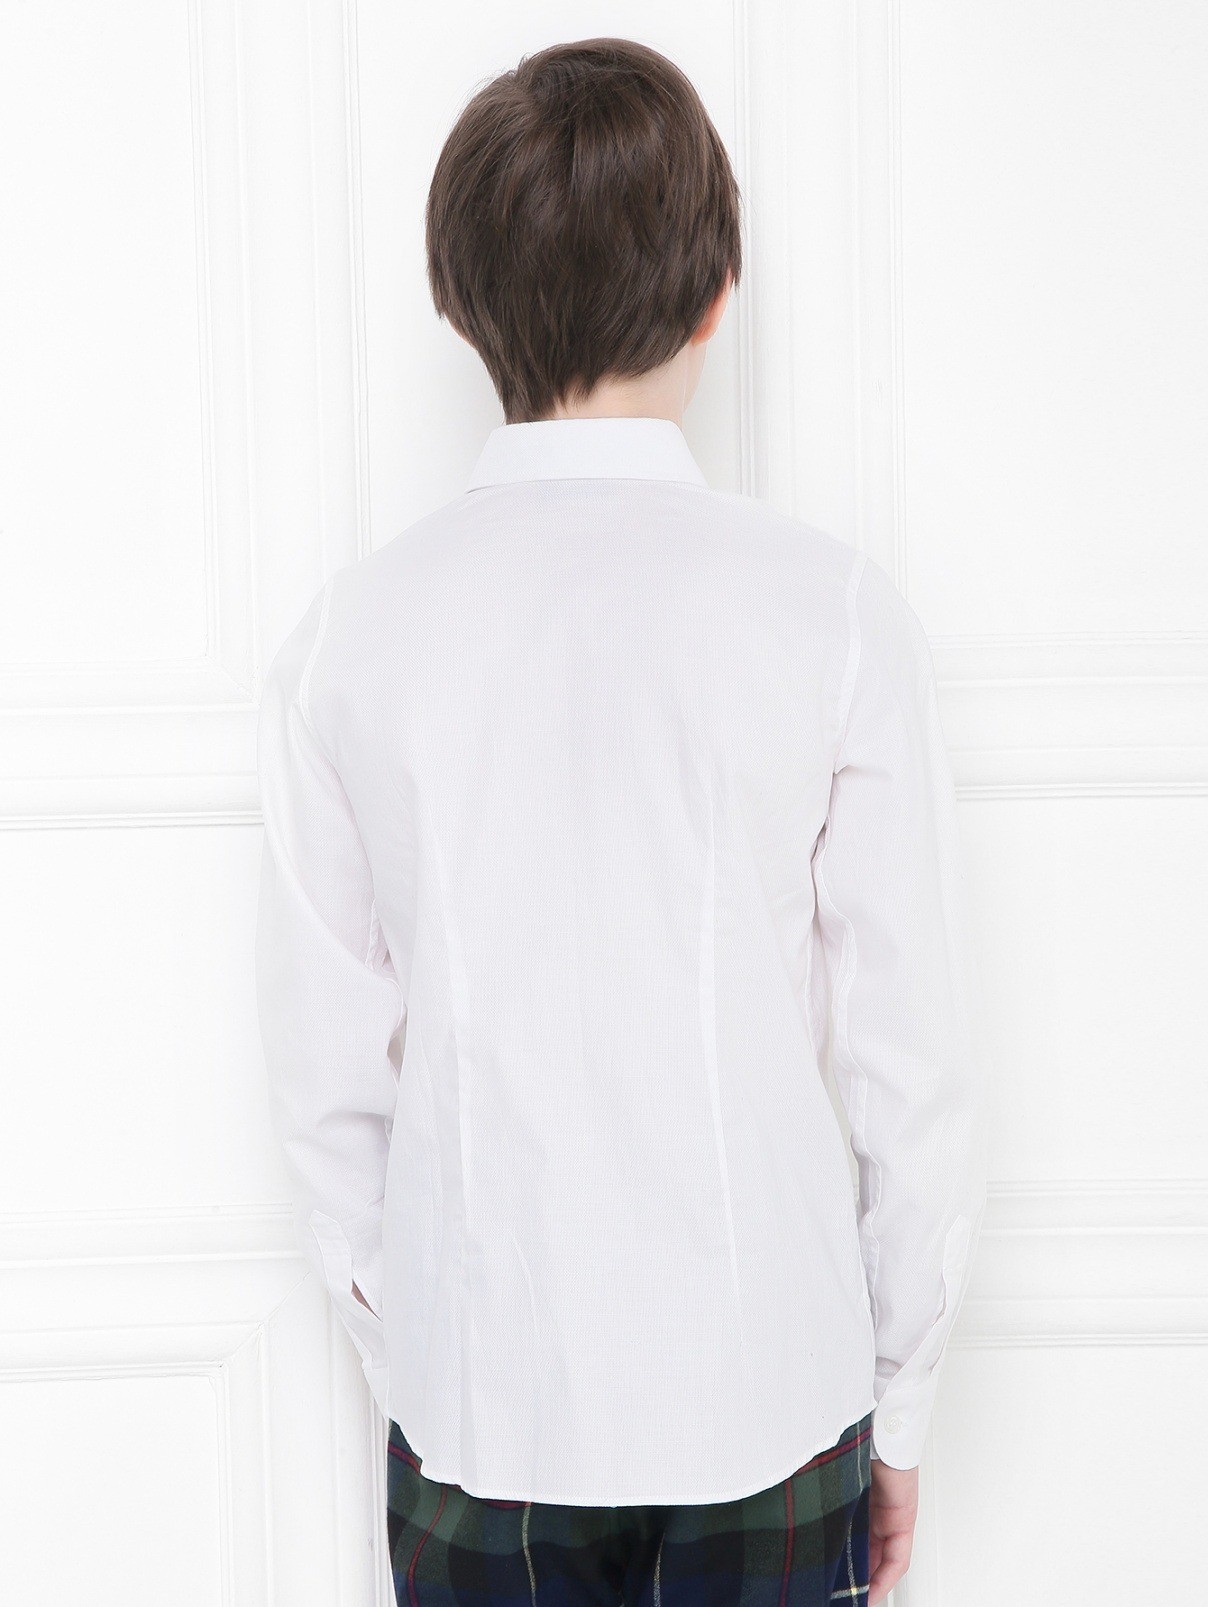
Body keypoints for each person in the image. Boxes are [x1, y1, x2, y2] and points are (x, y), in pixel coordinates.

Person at [255, 35, 988, 1607]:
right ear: (720, 290)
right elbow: (909, 1066)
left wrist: (422, 1351)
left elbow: (328, 1093)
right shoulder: (833, 615)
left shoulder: (347, 642)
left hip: (479, 1405)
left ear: (458, 300)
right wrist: (904, 1401)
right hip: (772, 1387)